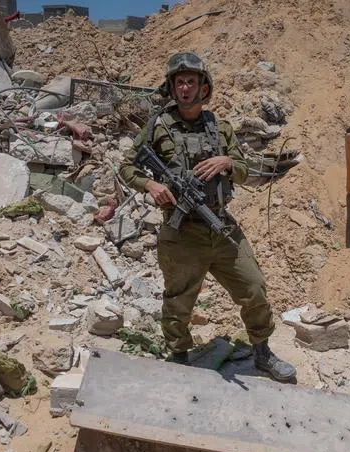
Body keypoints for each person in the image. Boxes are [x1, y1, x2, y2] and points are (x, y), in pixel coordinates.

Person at [119, 52, 296, 383]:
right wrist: (151, 183)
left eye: (192, 81)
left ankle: (262, 353)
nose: (185, 88)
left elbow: (246, 171)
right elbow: (126, 166)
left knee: (254, 287)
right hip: (181, 232)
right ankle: (180, 358)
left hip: (220, 224)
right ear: (172, 87)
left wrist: (226, 163)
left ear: (203, 87)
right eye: (179, 82)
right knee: (178, 301)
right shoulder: (157, 127)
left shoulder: (220, 128)